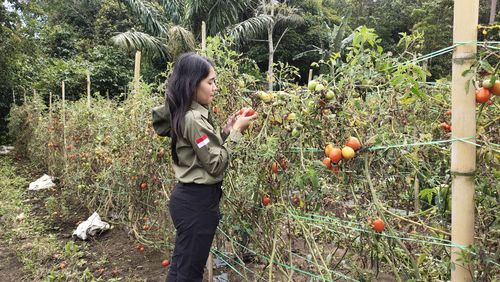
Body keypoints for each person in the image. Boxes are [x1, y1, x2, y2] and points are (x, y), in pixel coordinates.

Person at [152, 52, 257, 281]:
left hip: (190, 200)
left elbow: (203, 153)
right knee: (189, 273)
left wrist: (227, 131)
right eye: (210, 82)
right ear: (192, 84)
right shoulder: (193, 118)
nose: (215, 87)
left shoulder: (188, 115)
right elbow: (216, 165)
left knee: (181, 266)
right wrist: (238, 132)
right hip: (197, 204)